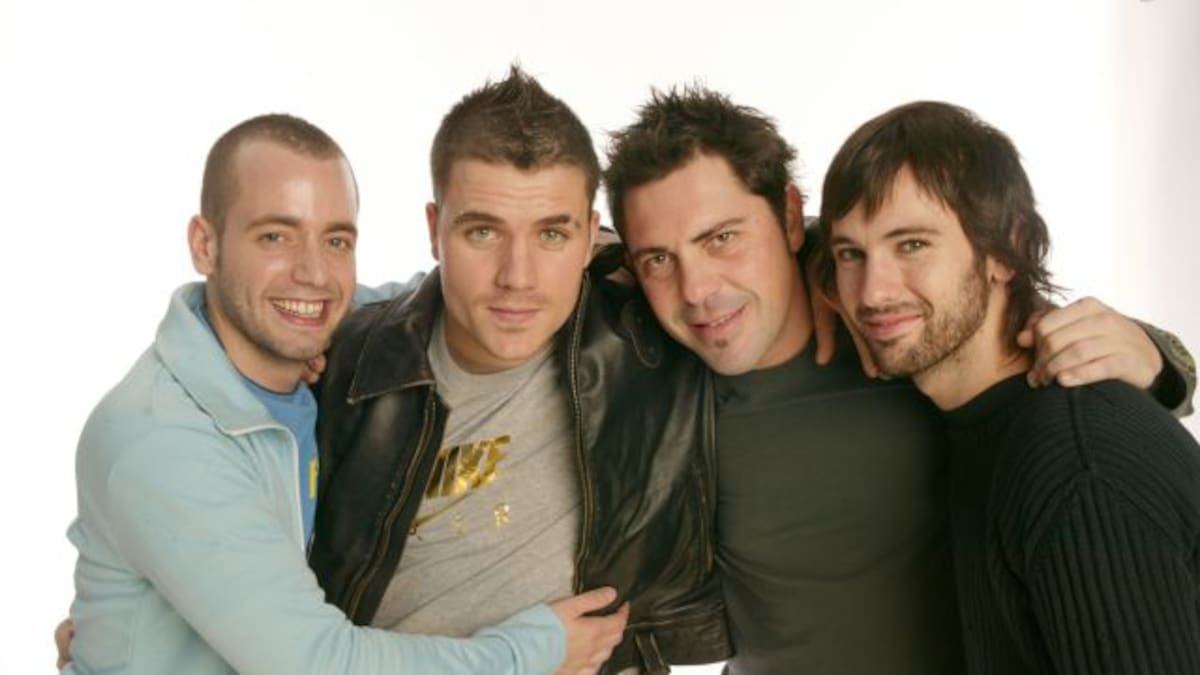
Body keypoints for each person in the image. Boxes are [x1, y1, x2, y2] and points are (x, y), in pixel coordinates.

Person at [601, 87, 1195, 674]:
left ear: (789, 217)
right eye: (658, 258)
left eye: (722, 238)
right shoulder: (644, 382)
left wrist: (1162, 362)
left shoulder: (901, 333)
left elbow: (1001, 317)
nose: (697, 289)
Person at [61, 113, 626, 675]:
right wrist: (536, 650)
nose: (313, 274)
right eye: (275, 236)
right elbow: (316, 664)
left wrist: (616, 253)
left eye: (336, 241)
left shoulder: (310, 344)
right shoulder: (163, 439)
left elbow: (465, 299)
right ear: (204, 245)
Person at [311, 68, 728, 675]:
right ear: (434, 231)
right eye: (483, 231)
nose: (518, 277)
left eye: (552, 234)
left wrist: (824, 271)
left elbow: (767, 253)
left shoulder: (652, 338)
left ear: (590, 236)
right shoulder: (343, 365)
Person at [821, 100, 1200, 674]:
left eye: (912, 245)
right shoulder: (973, 417)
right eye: (851, 253)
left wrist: (1165, 363)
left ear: (1004, 250)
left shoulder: (1077, 465)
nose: (873, 292)